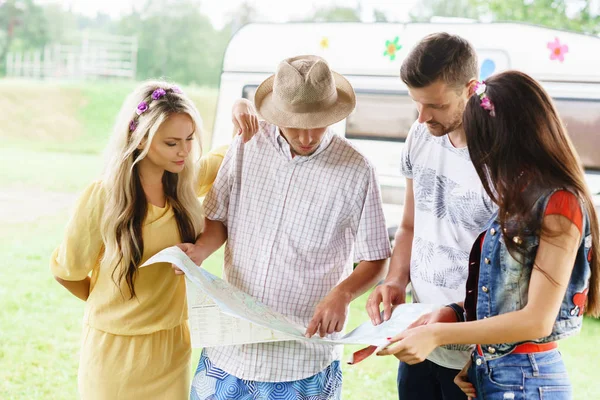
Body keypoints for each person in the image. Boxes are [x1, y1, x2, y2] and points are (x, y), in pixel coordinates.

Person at [176, 55, 391, 399]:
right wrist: (200, 250)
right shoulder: (248, 144)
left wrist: (342, 294)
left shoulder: (357, 170)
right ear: (277, 114)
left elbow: (377, 259)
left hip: (302, 360)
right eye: (295, 125)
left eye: (317, 124)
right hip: (231, 350)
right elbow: (218, 217)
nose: (306, 137)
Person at [378, 70, 599, 400]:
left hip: (528, 380)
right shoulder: (516, 196)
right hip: (492, 370)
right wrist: (459, 320)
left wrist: (439, 334)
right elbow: (504, 296)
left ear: (511, 137)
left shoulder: (559, 204)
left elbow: (537, 321)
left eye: (483, 144)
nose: (480, 157)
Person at [50, 81, 241, 399]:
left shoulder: (185, 181)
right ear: (139, 140)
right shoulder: (103, 197)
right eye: (171, 143)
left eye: (190, 139)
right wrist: (120, 306)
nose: (184, 151)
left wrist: (242, 108)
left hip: (172, 347)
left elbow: (229, 153)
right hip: (116, 352)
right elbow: (66, 272)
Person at [366, 33, 495, 400]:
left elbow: (512, 274)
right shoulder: (419, 135)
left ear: (471, 88)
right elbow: (409, 225)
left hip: (475, 356)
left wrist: (477, 347)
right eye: (415, 104)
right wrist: (394, 280)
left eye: (435, 105)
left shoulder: (501, 157)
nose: (422, 118)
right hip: (417, 345)